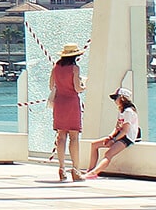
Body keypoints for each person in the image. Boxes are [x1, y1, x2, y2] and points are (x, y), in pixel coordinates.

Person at [81, 91, 139, 179]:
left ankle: (94, 173)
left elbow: (125, 131)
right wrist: (110, 137)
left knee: (108, 154)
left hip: (127, 138)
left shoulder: (128, 112)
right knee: (94, 145)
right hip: (119, 136)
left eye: (116, 98)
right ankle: (90, 169)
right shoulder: (121, 111)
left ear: (122, 98)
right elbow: (117, 127)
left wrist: (114, 140)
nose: (114, 101)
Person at [50, 43, 86, 182]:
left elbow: (51, 86)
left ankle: (61, 168)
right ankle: (75, 170)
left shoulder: (56, 67)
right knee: (74, 137)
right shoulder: (75, 68)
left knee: (61, 136)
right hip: (71, 103)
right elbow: (77, 88)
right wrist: (84, 85)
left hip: (59, 103)